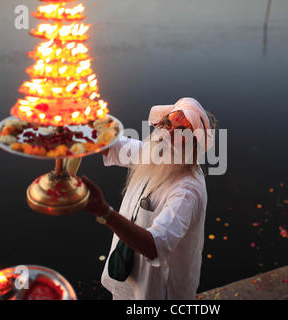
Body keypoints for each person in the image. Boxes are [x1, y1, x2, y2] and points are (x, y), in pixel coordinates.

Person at [81, 97, 216, 299]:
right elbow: (111, 146)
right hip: (128, 283)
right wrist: (81, 120)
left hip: (159, 292)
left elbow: (155, 246)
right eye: (168, 123)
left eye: (182, 131)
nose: (169, 133)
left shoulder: (187, 192)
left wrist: (104, 212)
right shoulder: (158, 153)